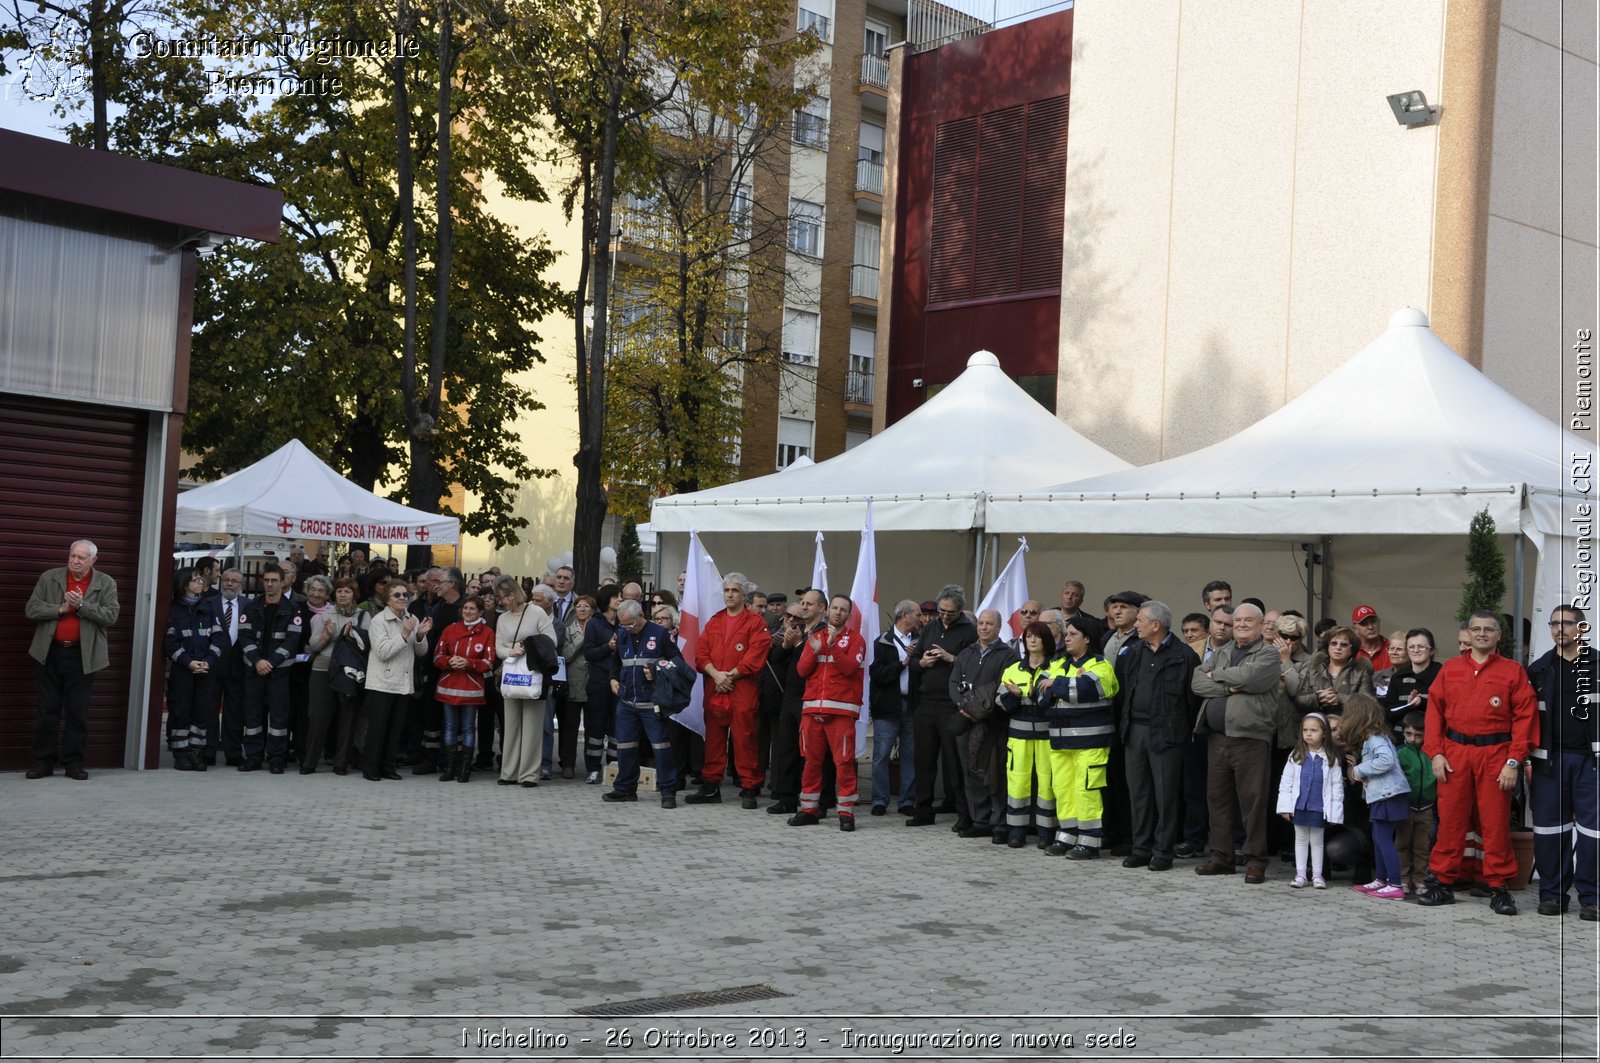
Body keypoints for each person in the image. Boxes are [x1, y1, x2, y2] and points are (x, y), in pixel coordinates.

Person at [1418, 611, 1538, 915]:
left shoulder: (1512, 672)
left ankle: (1498, 887)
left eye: (1489, 629)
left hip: (1496, 755)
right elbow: (1434, 714)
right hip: (1455, 753)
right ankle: (1442, 883)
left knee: (1495, 823)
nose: (1482, 634)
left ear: (1499, 635)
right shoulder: (1451, 670)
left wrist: (1513, 761)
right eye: (1476, 629)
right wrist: (1436, 753)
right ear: (1467, 635)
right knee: (1451, 820)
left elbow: (1526, 718)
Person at [1191, 603, 1281, 883]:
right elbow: (1196, 682)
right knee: (1217, 800)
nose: (1241, 624)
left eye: (1248, 621)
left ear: (1261, 625)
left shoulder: (1268, 654)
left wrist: (1217, 677)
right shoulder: (1222, 652)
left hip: (1251, 739)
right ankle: (1221, 857)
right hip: (1218, 739)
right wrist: (1231, 685)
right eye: (1237, 620)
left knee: (1252, 802)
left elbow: (1251, 678)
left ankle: (1255, 860)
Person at [1525, 604, 1599, 920]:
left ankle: (1592, 898)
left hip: (1591, 763)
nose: (1559, 629)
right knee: (1549, 832)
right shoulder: (1539, 669)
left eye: (1566, 623)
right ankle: (1553, 895)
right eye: (1554, 623)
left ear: (1581, 628)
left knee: (1594, 833)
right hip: (1549, 763)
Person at [1115, 601, 1200, 870]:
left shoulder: (1184, 656)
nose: (1135, 624)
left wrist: (1181, 733)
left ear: (1156, 625)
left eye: (1140, 620)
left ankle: (1163, 851)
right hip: (1135, 731)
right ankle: (1140, 848)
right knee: (1138, 793)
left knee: (1165, 796)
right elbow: (1122, 690)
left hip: (1167, 734)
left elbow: (1192, 701)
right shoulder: (1131, 652)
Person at [25, 540, 120, 780]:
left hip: (83, 655)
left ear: (93, 560)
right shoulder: (50, 578)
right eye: (72, 556)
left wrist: (81, 606)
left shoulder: (105, 582)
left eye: (81, 557)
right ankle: (43, 762)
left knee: (77, 712)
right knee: (48, 711)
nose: (75, 561)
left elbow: (111, 615)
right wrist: (60, 609)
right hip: (49, 652)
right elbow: (32, 609)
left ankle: (73, 763)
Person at [690, 573, 773, 808]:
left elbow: (755, 655)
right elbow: (700, 653)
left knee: (744, 737)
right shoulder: (714, 621)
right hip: (715, 686)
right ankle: (710, 786)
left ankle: (749, 787)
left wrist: (731, 675)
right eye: (726, 590)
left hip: (742, 687)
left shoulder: (756, 623)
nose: (730, 594)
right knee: (714, 738)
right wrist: (716, 675)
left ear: (744, 594)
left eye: (735, 590)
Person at [788, 594, 869, 831]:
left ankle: (846, 813)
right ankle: (809, 810)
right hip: (812, 710)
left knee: (843, 763)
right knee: (811, 762)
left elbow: (850, 668)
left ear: (848, 614)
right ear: (828, 610)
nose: (838, 613)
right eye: (834, 608)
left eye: (843, 610)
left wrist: (831, 646)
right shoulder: (814, 637)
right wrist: (814, 651)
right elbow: (802, 671)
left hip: (841, 712)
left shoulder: (856, 640)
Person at [906, 585, 979, 827]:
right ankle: (923, 811)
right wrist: (923, 663)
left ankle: (964, 814)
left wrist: (951, 658)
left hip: (951, 704)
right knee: (924, 760)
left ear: (960, 611)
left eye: (951, 612)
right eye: (942, 611)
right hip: (926, 702)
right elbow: (914, 661)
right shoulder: (930, 628)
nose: (945, 616)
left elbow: (974, 666)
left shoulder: (969, 631)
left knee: (954, 762)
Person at [603, 600, 684, 808]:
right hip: (627, 701)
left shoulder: (659, 634)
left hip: (651, 702)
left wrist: (657, 669)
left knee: (661, 747)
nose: (627, 628)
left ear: (640, 616)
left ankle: (668, 792)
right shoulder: (622, 635)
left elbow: (677, 661)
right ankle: (625, 789)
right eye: (623, 625)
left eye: (630, 624)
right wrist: (613, 679)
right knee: (626, 747)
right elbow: (616, 661)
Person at [948, 608, 1019, 840]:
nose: (984, 627)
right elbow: (954, 682)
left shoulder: (1008, 656)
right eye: (981, 623)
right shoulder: (966, 653)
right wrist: (964, 706)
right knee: (971, 774)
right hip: (967, 723)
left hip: (993, 724)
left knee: (994, 775)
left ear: (999, 627)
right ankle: (980, 820)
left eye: (989, 624)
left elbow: (1001, 687)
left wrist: (974, 710)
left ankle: (998, 823)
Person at [998, 620, 1066, 848]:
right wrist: (1015, 696)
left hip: (1047, 733)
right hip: (1019, 733)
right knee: (1017, 782)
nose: (1032, 640)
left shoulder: (1058, 668)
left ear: (1046, 641)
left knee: (1048, 783)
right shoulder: (1013, 668)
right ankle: (1016, 832)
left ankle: (1046, 832)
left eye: (1037, 636)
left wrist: (1030, 694)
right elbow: (1000, 701)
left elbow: (1057, 700)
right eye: (1028, 636)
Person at [1341, 692, 1412, 900]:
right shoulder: (1373, 737)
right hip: (1382, 794)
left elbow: (1386, 760)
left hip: (1388, 795)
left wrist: (1360, 770)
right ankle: (1381, 879)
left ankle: (1395, 884)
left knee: (1383, 838)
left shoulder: (1375, 738)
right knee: (1377, 837)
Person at [363, 579, 431, 781]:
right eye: (397, 595)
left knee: (395, 730)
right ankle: (371, 768)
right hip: (381, 683)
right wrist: (403, 634)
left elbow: (422, 651)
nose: (402, 598)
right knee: (378, 729)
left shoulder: (411, 618)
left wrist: (419, 636)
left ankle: (388, 767)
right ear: (387, 599)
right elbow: (383, 652)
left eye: (405, 595)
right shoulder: (378, 621)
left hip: (403, 683)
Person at [238, 568, 304, 774]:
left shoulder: (292, 609)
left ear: (283, 582)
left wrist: (271, 662)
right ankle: (253, 757)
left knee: (278, 717)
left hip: (279, 673)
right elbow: (244, 637)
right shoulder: (251, 607)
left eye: (274, 580)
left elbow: (292, 642)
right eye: (266, 580)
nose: (269, 584)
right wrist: (258, 661)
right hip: (254, 671)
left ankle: (277, 758)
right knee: (253, 716)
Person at [496, 575, 556, 788]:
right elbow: (499, 647)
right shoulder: (502, 619)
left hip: (533, 674)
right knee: (510, 725)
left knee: (532, 726)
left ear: (511, 594)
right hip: (512, 672)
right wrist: (512, 651)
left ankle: (529, 774)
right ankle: (509, 771)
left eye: (502, 597)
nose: (501, 602)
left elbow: (551, 640)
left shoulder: (537, 612)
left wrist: (529, 646)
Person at [163, 567, 224, 772]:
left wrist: (208, 661)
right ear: (184, 584)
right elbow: (170, 643)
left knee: (202, 712)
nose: (200, 583)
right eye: (196, 580)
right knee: (181, 711)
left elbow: (218, 637)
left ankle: (196, 754)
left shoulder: (208, 607)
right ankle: (181, 755)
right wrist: (189, 662)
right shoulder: (173, 609)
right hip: (183, 670)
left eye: (200, 579)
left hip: (205, 669)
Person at [1276, 712, 1343, 889]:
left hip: (1319, 807)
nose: (1308, 734)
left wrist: (1335, 813)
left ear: (1324, 733)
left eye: (1313, 730)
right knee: (1300, 839)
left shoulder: (1331, 758)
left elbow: (1337, 788)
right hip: (1300, 806)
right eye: (1305, 730)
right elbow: (1286, 782)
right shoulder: (1296, 755)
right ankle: (1300, 874)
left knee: (1317, 840)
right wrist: (1284, 806)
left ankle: (1317, 875)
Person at [433, 594, 496, 783]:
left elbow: (489, 662)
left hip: (471, 687)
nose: (468, 612)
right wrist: (449, 661)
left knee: (469, 727)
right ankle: (450, 767)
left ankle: (465, 768)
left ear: (480, 612)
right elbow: (437, 656)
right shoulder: (450, 629)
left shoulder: (487, 633)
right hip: (449, 685)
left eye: (472, 609)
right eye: (465, 608)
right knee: (450, 726)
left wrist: (468, 663)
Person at [869, 599, 922, 817]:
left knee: (910, 755)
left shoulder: (921, 641)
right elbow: (877, 674)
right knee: (881, 754)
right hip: (888, 705)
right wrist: (903, 663)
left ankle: (907, 801)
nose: (921, 619)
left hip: (912, 705)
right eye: (917, 614)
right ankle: (880, 800)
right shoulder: (882, 641)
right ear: (904, 616)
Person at [581, 586, 621, 783]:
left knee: (617, 726)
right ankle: (593, 768)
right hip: (598, 681)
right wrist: (608, 647)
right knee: (596, 726)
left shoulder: (623, 623)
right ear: (607, 599)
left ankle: (613, 767)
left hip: (619, 681)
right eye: (616, 596)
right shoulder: (594, 624)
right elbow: (589, 653)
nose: (619, 599)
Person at [1394, 710, 1437, 897]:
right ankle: (1402, 878)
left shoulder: (1432, 753)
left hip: (1426, 807)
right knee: (1402, 844)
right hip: (1406, 806)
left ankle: (1419, 879)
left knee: (1422, 847)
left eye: (1419, 735)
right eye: (1408, 734)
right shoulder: (1400, 753)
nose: (1413, 739)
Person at [1288, 625, 1375, 715]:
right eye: (1333, 643)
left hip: (1348, 724)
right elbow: (1299, 700)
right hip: (1318, 724)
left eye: (1344, 645)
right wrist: (1317, 698)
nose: (1338, 648)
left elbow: (1369, 703)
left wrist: (1340, 699)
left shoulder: (1361, 671)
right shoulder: (1314, 667)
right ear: (1327, 646)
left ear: (1352, 650)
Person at [555, 596, 594, 780]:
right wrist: (583, 639)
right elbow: (567, 655)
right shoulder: (568, 630)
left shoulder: (598, 630)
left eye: (586, 606)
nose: (582, 609)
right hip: (572, 684)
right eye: (579, 606)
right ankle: (568, 763)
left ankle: (591, 765)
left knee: (592, 727)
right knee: (569, 726)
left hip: (592, 684)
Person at [1382, 628, 1442, 725]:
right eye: (1411, 647)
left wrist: (1422, 703)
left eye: (1421, 647)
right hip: (1400, 736)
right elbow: (1388, 713)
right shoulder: (1398, 677)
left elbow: (1447, 708)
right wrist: (1408, 705)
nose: (1416, 650)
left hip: (1432, 735)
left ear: (1431, 651)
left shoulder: (1442, 674)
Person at [1350, 605, 1392, 672]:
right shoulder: (1350, 650)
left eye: (1373, 621)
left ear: (1379, 622)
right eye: (1364, 624)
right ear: (1355, 628)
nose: (1370, 627)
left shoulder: (1392, 648)